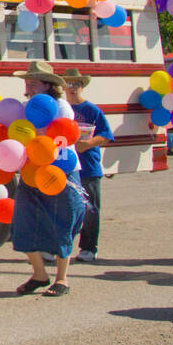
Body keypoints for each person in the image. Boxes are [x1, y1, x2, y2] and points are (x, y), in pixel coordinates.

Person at [9, 61, 88, 297]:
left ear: (47, 85)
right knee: (22, 222)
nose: (28, 86)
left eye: (33, 82)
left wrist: (30, 133)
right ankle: (39, 274)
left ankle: (62, 278)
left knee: (62, 222)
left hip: (60, 171)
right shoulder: (24, 107)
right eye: (27, 82)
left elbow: (56, 134)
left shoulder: (61, 106)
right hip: (31, 172)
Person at [61, 68, 113, 263]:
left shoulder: (92, 110)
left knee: (91, 209)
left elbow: (106, 135)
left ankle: (89, 248)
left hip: (89, 167)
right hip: (66, 166)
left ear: (82, 87)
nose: (72, 88)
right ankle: (59, 248)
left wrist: (87, 144)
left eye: (76, 84)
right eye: (68, 84)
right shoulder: (61, 108)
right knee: (66, 209)